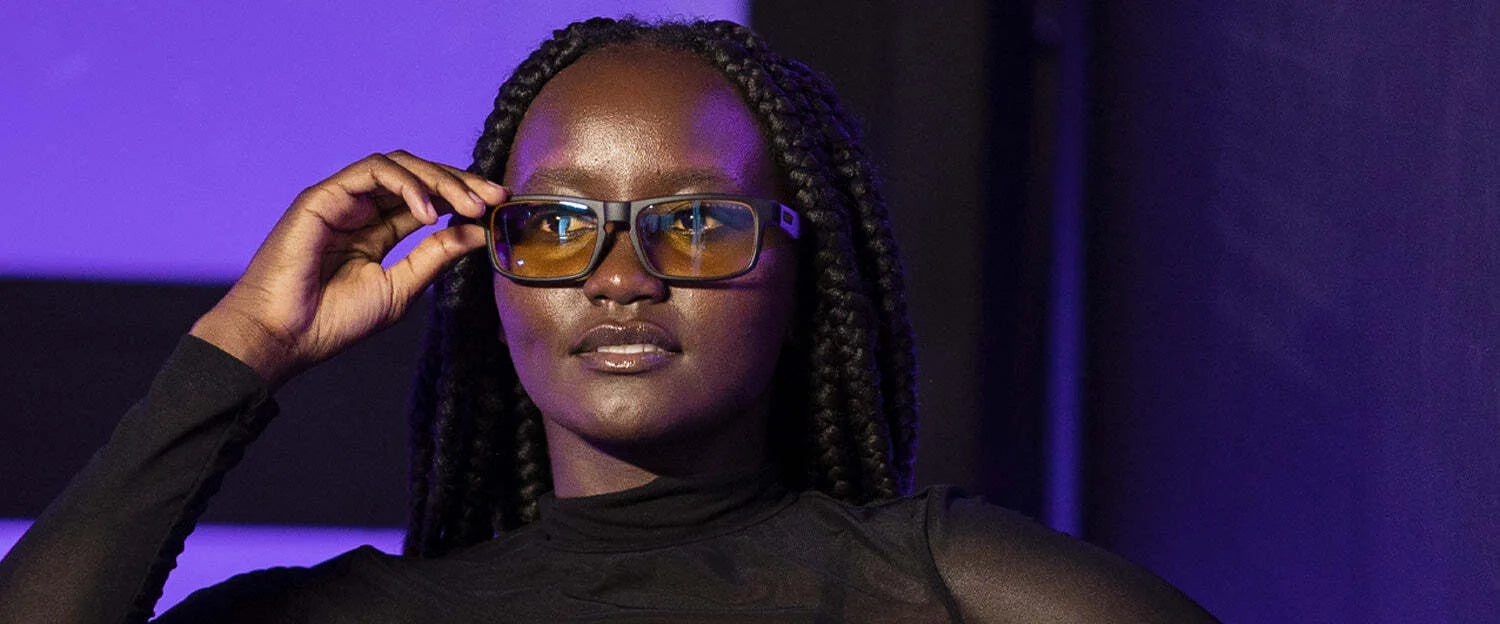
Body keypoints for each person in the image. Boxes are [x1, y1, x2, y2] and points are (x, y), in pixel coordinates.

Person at [0, 17, 1218, 623]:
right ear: (496, 269)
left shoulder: (951, 588)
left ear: (804, 280)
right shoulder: (332, 619)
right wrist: (244, 351)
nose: (621, 277)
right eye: (556, 225)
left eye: (696, 226)